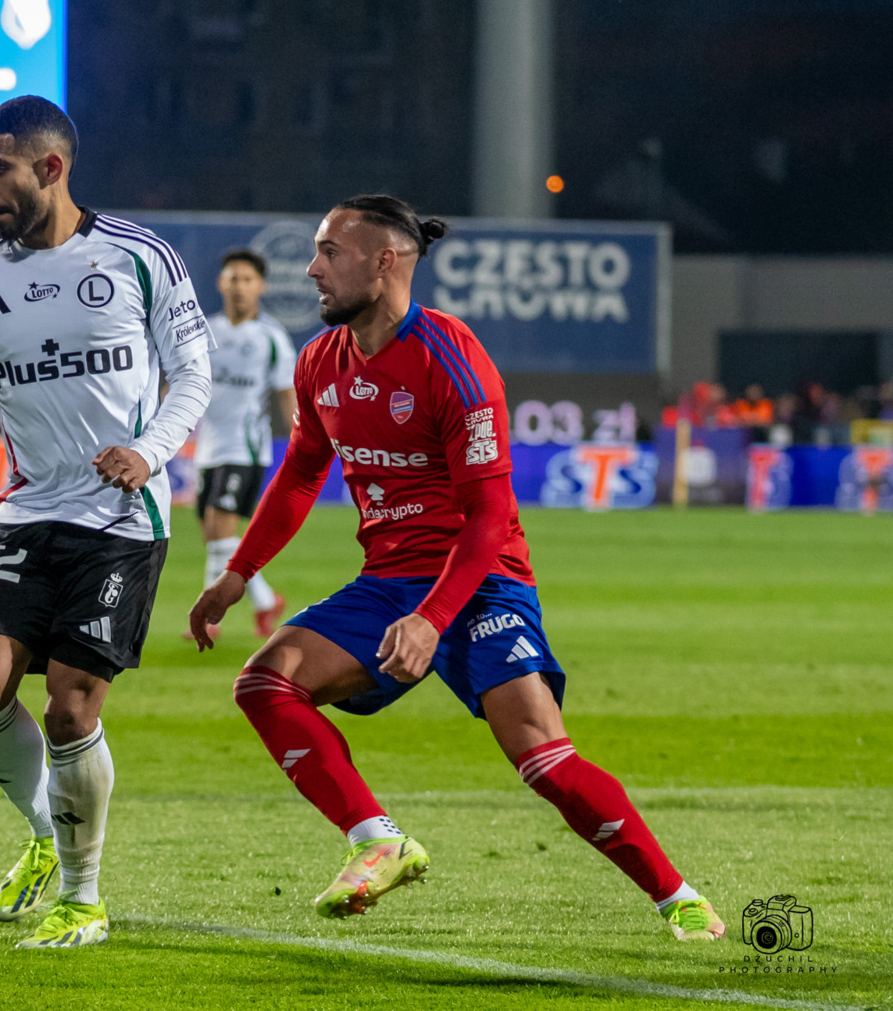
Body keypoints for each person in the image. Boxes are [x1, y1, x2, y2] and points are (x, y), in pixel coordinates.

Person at [189, 194, 724, 942]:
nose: (311, 269)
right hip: (390, 581)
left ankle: (680, 900)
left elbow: (489, 518)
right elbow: (301, 472)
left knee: (542, 758)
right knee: (264, 684)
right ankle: (378, 841)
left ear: (386, 262)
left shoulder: (452, 360)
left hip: (480, 579)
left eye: (328, 253)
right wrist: (239, 572)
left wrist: (433, 618)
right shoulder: (320, 361)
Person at [0, 95, 213, 949]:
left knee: (69, 707)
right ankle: (45, 836)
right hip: (25, 512)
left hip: (120, 517)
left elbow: (193, 375)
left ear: (50, 168)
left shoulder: (139, 258)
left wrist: (151, 450)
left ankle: (85, 899)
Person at [191, 249, 296, 639]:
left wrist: (301, 441)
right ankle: (266, 601)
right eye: (233, 279)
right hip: (208, 447)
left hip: (246, 447)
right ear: (221, 284)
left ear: (260, 286)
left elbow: (287, 392)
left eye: (247, 280)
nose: (239, 287)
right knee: (212, 531)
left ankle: (208, 615)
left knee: (221, 525)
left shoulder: (271, 338)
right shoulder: (205, 330)